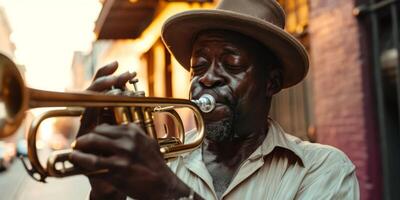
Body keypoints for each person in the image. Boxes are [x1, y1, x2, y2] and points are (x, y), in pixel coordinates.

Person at [70, 0, 360, 199]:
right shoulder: (159, 164)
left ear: (271, 83)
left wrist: (171, 193)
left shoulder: (323, 169)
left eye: (232, 65)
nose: (207, 79)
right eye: (199, 66)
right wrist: (107, 195)